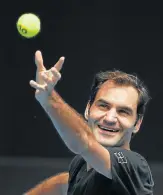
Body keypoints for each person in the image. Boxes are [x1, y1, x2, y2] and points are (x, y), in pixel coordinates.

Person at [24, 50, 154, 195]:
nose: (110, 119)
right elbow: (62, 183)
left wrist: (49, 99)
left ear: (137, 123)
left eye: (123, 112)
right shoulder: (79, 166)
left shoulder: (133, 165)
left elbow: (85, 141)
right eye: (103, 106)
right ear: (88, 109)